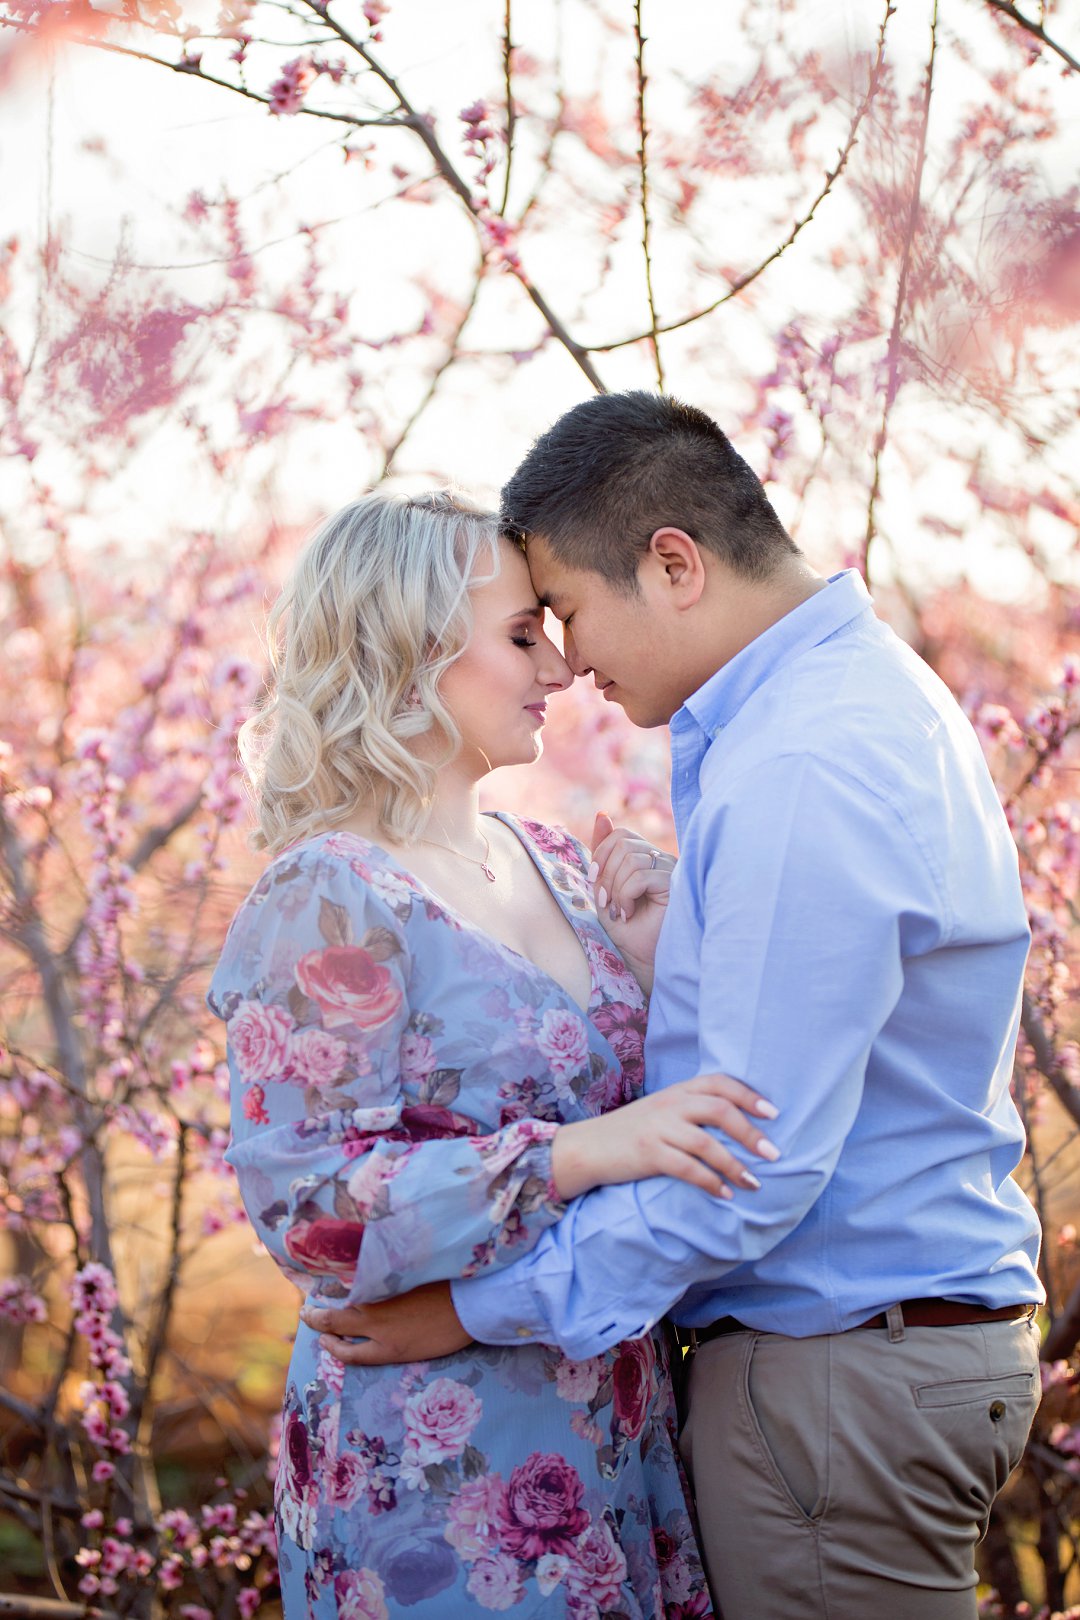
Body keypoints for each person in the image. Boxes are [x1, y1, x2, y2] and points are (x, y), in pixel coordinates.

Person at [304, 396, 1045, 1620]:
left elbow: (748, 1164)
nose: (574, 666)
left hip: (836, 1378)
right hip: (876, 1356)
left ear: (673, 563)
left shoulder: (803, 762)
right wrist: (676, 957)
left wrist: (474, 1310)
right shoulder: (859, 703)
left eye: (575, 615)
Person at [208, 487, 780, 1619]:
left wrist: (665, 962)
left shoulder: (558, 863)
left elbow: (679, 1120)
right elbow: (312, 1212)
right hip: (437, 1469)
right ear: (410, 649)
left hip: (615, 1425)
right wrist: (573, 1156)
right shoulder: (331, 898)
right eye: (522, 636)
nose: (562, 671)